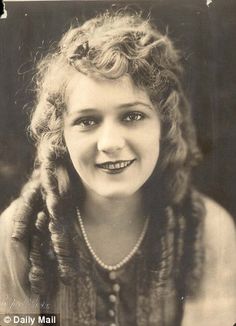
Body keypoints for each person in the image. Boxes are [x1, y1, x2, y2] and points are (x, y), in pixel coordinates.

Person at [0, 10, 235, 326]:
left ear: (164, 127)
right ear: (61, 138)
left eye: (133, 116)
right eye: (87, 121)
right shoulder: (18, 236)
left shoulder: (208, 232)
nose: (109, 142)